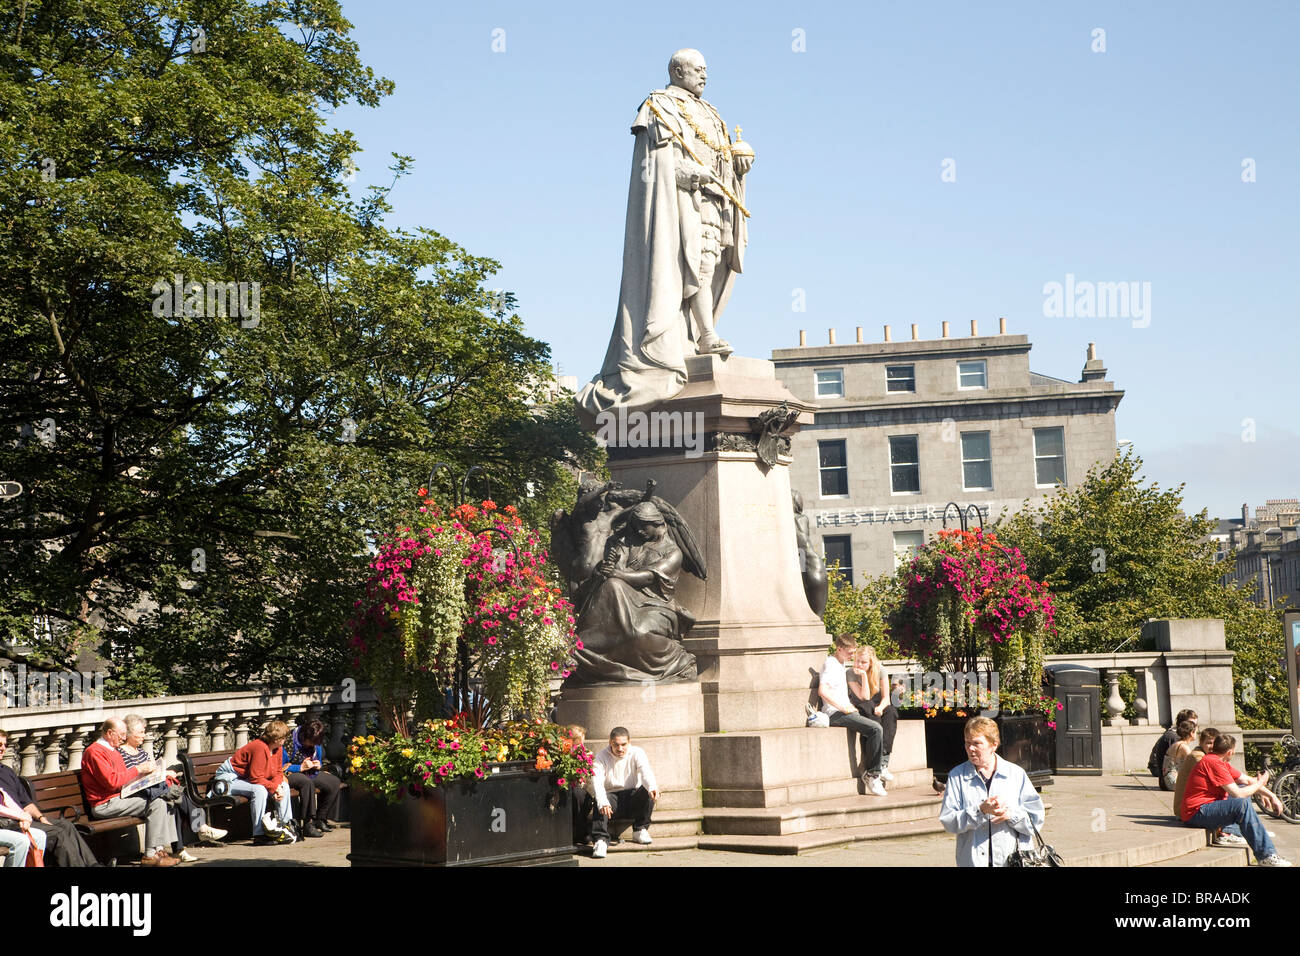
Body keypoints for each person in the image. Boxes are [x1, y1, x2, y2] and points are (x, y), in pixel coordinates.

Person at [577, 48, 753, 414]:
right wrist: (690, 174)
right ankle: (706, 337)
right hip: (680, 204)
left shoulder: (713, 113)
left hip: (714, 202)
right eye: (697, 70)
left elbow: (720, 161)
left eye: (707, 69)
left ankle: (702, 334)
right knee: (694, 265)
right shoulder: (659, 106)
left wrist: (737, 166)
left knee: (711, 263)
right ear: (677, 70)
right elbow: (655, 165)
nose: (704, 76)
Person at [571, 501, 699, 683]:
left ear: (658, 523)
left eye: (643, 526)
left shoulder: (673, 552)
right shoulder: (629, 543)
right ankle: (586, 641)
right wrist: (611, 565)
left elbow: (647, 577)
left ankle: (679, 659)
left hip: (657, 604)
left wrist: (617, 573)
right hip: (625, 597)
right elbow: (617, 567)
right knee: (612, 585)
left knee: (638, 634)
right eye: (636, 525)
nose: (639, 530)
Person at [939, 716, 1046, 867]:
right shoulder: (957, 776)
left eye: (977, 743)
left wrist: (1010, 815)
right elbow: (948, 821)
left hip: (1013, 861)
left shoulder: (1015, 774)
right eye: (967, 743)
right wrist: (979, 811)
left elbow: (1036, 819)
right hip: (973, 861)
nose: (970, 748)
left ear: (993, 745)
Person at [118, 714, 226, 860]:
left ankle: (180, 850)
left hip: (152, 789)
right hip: (138, 793)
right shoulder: (121, 753)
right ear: (129, 733)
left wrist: (163, 772)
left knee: (173, 800)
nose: (144, 735)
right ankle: (199, 828)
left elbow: (151, 771)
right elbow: (129, 777)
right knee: (175, 795)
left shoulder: (142, 752)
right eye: (141, 732)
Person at [1180, 733, 1291, 867]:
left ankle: (1237, 831)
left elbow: (1248, 781)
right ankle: (1266, 856)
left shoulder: (1219, 762)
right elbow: (1238, 794)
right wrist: (1260, 783)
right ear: (1230, 752)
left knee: (1244, 787)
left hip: (1204, 809)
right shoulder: (1213, 763)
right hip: (1196, 813)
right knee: (1241, 804)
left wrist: (1271, 796)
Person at [81, 717, 179, 866]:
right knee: (157, 804)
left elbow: (124, 779)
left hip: (119, 798)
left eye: (125, 733)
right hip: (105, 804)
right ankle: (151, 855)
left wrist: (147, 776)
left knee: (160, 800)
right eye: (121, 734)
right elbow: (112, 782)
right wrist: (138, 769)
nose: (123, 737)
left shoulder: (112, 750)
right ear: (109, 733)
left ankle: (158, 852)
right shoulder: (95, 752)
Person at [0, 728, 100, 867]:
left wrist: (41, 818)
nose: (3, 748)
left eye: (5, 745)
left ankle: (93, 865)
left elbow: (26, 802)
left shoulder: (6, 771)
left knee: (67, 825)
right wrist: (22, 818)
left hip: (23, 818)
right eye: (0, 745)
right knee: (57, 833)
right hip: (8, 823)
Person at [820, 634, 886, 796]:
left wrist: (863, 677)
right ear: (839, 649)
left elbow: (864, 697)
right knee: (875, 729)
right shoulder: (831, 664)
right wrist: (843, 708)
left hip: (844, 709)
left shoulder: (841, 664)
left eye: (853, 652)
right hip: (835, 713)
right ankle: (872, 775)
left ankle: (877, 767)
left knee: (874, 723)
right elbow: (823, 691)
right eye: (850, 653)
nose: (852, 656)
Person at [215, 719, 295, 846]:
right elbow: (256, 778)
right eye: (283, 738)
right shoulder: (259, 747)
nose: (285, 740)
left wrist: (277, 788)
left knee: (284, 786)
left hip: (245, 778)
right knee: (259, 790)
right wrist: (273, 788)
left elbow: (278, 771)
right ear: (276, 739)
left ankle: (286, 826)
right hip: (228, 780)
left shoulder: (277, 748)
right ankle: (259, 834)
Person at [589, 727, 658, 860]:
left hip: (632, 796)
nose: (620, 749)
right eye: (616, 745)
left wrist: (652, 787)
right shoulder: (601, 757)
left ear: (629, 742)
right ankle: (601, 840)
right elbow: (597, 782)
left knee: (648, 789)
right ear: (610, 742)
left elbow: (646, 772)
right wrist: (603, 802)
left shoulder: (637, 752)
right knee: (600, 799)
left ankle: (640, 829)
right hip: (611, 799)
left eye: (623, 745)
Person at [281, 717, 342, 838]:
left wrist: (317, 764)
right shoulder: (289, 741)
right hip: (289, 774)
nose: (313, 745)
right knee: (307, 782)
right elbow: (281, 767)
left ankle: (321, 818)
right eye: (311, 742)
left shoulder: (316, 741)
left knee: (333, 782)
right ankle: (308, 823)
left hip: (310, 772)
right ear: (304, 736)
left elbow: (318, 758)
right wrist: (300, 767)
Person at [848, 644, 899, 782]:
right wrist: (864, 675)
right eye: (857, 660)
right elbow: (863, 697)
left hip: (877, 701)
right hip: (861, 702)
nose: (859, 664)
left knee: (891, 712)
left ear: (871, 662)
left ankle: (883, 763)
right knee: (871, 713)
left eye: (863, 662)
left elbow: (886, 698)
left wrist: (881, 708)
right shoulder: (851, 673)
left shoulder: (880, 670)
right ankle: (873, 764)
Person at [1149, 708, 1197, 790]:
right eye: (1192, 724)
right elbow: (1193, 763)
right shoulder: (1175, 738)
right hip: (1168, 781)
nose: (1195, 727)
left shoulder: (1174, 736)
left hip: (1166, 779)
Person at [567, 724, 595, 846]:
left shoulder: (585, 752)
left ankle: (583, 833)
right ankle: (580, 834)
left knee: (583, 798)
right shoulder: (564, 752)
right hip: (569, 788)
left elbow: (589, 777)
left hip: (580, 788)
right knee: (577, 795)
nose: (581, 745)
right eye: (578, 743)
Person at [1161, 719, 1197, 791]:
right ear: (1191, 733)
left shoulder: (1177, 743)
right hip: (1174, 782)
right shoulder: (1184, 747)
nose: (1197, 734)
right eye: (1196, 732)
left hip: (1168, 780)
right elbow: (1194, 763)